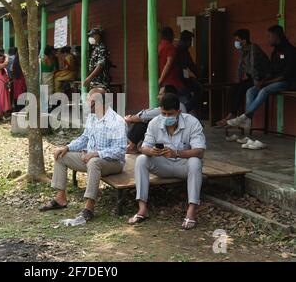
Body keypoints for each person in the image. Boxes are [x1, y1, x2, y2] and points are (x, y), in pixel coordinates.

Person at [40, 88, 127, 221]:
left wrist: (96, 154)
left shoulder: (117, 121)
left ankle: (89, 207)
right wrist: (67, 147)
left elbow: (120, 151)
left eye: (90, 102)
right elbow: (84, 138)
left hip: (113, 163)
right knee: (61, 155)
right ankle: (60, 198)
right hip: (89, 158)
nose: (87, 105)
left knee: (94, 162)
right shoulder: (92, 117)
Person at [129, 93, 206, 230]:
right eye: (163, 113)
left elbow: (200, 151)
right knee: (141, 160)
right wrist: (151, 151)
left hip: (183, 166)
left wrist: (176, 153)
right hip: (163, 165)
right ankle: (142, 208)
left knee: (195, 161)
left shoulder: (192, 122)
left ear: (179, 112)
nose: (166, 117)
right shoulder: (154, 122)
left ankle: (191, 210)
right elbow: (144, 147)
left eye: (170, 114)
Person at [228, 25, 296, 129]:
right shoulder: (276, 52)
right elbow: (271, 71)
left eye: (269, 36)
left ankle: (245, 117)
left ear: (277, 36)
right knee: (250, 91)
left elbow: (285, 76)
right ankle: (248, 122)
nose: (268, 39)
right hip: (272, 82)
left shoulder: (290, 51)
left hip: (286, 83)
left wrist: (266, 83)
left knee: (264, 90)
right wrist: (263, 81)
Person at [217, 29, 270, 127]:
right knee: (233, 88)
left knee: (242, 89)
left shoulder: (253, 48)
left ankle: (233, 116)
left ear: (244, 41)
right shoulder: (243, 50)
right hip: (252, 77)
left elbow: (254, 66)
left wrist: (256, 83)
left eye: (238, 40)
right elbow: (240, 66)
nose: (236, 42)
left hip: (260, 78)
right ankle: (231, 114)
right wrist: (239, 79)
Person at [125, 85, 187, 154]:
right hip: (165, 142)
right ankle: (135, 146)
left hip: (173, 143)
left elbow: (144, 116)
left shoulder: (174, 106)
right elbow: (147, 114)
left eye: (160, 94)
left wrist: (130, 118)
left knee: (144, 122)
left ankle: (132, 146)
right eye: (164, 114)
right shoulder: (178, 105)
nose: (158, 97)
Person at [176, 30, 203, 115]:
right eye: (190, 41)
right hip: (179, 80)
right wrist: (198, 76)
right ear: (187, 41)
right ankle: (184, 111)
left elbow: (191, 65)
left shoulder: (183, 50)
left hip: (183, 78)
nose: (191, 44)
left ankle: (188, 112)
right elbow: (191, 65)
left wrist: (197, 76)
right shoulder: (180, 51)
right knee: (198, 89)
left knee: (193, 93)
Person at [158, 27, 185, 91]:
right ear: (171, 36)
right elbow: (168, 64)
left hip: (164, 83)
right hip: (173, 83)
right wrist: (160, 80)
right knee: (187, 97)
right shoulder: (170, 48)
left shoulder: (159, 47)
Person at [0, 54, 12, 120]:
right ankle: (1, 115)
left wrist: (8, 83)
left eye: (2, 59)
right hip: (0, 85)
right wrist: (7, 57)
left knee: (5, 99)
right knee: (1, 99)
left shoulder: (3, 68)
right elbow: (6, 63)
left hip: (5, 85)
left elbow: (6, 77)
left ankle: (4, 115)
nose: (1, 60)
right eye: (0, 59)